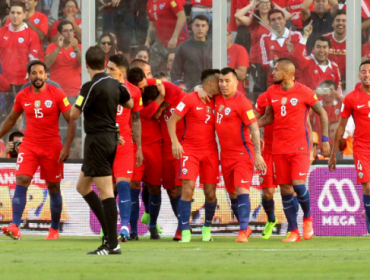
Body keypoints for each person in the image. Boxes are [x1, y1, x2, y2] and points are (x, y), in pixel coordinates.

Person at [0, 60, 76, 240]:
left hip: (52, 146)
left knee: (53, 187)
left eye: (41, 73)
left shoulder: (57, 93)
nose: (38, 76)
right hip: (30, 145)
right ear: (30, 76)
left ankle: (54, 229)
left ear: (46, 75)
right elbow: (11, 119)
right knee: (22, 179)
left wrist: (66, 146)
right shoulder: (22, 95)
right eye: (34, 73)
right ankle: (15, 226)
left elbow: (71, 119)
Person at [257, 58, 330, 242]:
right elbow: (268, 118)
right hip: (279, 149)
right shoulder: (271, 92)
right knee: (285, 190)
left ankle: (308, 218)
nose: (273, 73)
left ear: (288, 73)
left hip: (299, 146)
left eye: (276, 70)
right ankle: (294, 231)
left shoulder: (305, 92)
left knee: (298, 185)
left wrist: (325, 140)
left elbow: (322, 112)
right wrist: (250, 125)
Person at [70, 46, 133, 255]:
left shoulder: (89, 87)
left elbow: (73, 115)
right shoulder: (115, 84)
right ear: (104, 63)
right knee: (82, 187)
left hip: (97, 140)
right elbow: (130, 103)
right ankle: (108, 234)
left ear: (86, 65)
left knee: (106, 192)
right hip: (110, 138)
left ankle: (112, 243)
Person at [168, 69, 220, 242]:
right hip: (190, 151)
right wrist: (175, 142)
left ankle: (207, 229)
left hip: (211, 152)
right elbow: (172, 120)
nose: (223, 85)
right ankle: (185, 231)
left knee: (210, 194)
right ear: (210, 83)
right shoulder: (189, 99)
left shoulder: (219, 100)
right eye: (219, 82)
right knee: (187, 190)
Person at [215, 67, 266, 242]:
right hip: (226, 157)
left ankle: (243, 231)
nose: (223, 84)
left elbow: (253, 128)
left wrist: (257, 154)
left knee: (242, 190)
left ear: (236, 82)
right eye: (221, 81)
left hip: (243, 155)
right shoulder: (216, 99)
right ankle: (246, 227)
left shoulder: (243, 102)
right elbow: (201, 88)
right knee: (232, 195)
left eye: (227, 81)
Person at [329, 60, 370, 236]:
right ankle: (369, 225)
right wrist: (333, 155)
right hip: (362, 148)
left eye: (369, 71)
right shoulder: (352, 98)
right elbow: (340, 126)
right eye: (364, 72)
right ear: (359, 75)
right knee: (367, 186)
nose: (367, 74)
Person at [106, 54, 143, 242]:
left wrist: (140, 148)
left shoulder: (135, 92)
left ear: (122, 72)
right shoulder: (101, 87)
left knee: (123, 184)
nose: (108, 72)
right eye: (107, 68)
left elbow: (136, 120)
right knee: (109, 189)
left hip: (125, 145)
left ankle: (125, 227)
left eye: (111, 69)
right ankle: (109, 228)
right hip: (105, 144)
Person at [235, 0, 292, 97]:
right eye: (262, 3)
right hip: (257, 60)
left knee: (275, 87)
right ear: (257, 6)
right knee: (261, 88)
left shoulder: (274, 20)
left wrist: (273, 4)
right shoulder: (253, 21)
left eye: (267, 3)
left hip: (273, 59)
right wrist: (251, 5)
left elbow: (288, 16)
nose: (265, 5)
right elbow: (238, 15)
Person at [0, 1, 40, 114]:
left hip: (23, 82)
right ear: (9, 14)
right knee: (5, 116)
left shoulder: (31, 34)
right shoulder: (1, 33)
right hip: (3, 84)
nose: (15, 16)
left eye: (18, 13)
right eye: (12, 13)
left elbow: (34, 61)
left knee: (22, 116)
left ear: (24, 15)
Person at [254, 91, 280, 239]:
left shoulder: (298, 95)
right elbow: (253, 120)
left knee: (290, 190)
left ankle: (292, 227)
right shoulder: (264, 97)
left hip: (288, 150)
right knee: (268, 193)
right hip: (269, 151)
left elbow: (305, 122)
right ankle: (271, 220)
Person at [290, 22, 342, 93]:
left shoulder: (334, 67)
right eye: (318, 47)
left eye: (324, 47)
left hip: (328, 103)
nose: (321, 50)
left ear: (329, 50)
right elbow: (297, 57)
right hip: (309, 102)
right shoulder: (307, 62)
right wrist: (305, 36)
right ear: (313, 49)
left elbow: (339, 89)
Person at [260, 9, 303, 86]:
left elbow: (302, 63)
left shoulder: (297, 35)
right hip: (275, 82)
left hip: (295, 81)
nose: (277, 22)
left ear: (284, 20)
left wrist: (293, 53)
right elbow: (264, 65)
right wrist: (274, 63)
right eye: (273, 20)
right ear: (269, 23)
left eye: (279, 18)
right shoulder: (265, 38)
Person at [170, 15, 212, 92]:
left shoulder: (215, 47)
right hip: (191, 91)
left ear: (207, 28)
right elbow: (175, 72)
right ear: (192, 27)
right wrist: (180, 88)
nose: (200, 28)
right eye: (197, 25)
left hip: (212, 91)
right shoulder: (183, 47)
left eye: (203, 26)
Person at [145, 0, 188, 73]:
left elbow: (182, 16)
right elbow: (152, 25)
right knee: (152, 67)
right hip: (161, 41)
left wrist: (174, 37)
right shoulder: (150, 3)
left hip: (178, 41)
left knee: (178, 68)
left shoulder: (171, 0)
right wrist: (147, 42)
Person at [45, 20, 81, 103]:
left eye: (71, 30)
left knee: (72, 116)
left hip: (74, 92)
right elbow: (46, 64)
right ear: (59, 33)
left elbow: (83, 64)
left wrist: (76, 48)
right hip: (55, 91)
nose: (69, 33)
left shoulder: (79, 47)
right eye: (65, 31)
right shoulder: (52, 46)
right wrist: (58, 48)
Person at [311, 79, 342, 149]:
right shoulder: (315, 105)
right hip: (319, 145)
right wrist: (315, 94)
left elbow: (350, 107)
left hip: (336, 146)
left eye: (330, 91)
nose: (328, 94)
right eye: (325, 91)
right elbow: (304, 111)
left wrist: (338, 96)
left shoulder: (339, 104)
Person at [322, 10, 346, 84]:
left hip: (349, 81)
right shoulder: (324, 39)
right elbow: (314, 60)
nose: (340, 23)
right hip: (326, 80)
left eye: (344, 20)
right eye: (338, 20)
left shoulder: (355, 41)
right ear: (333, 24)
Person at [227, 24, 249, 96]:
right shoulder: (211, 50)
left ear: (231, 36)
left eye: (225, 34)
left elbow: (242, 75)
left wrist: (224, 68)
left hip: (236, 93)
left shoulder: (239, 50)